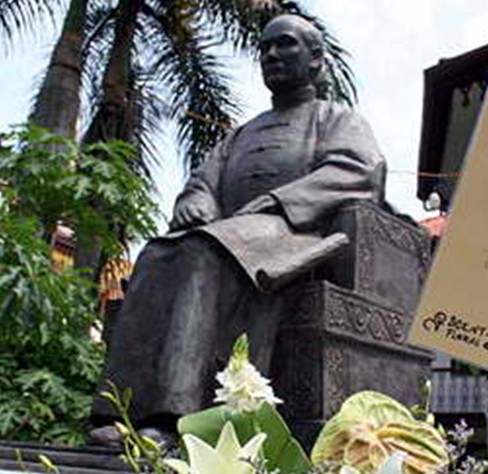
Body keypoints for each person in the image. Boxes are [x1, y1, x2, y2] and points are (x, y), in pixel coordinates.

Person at [89, 14, 386, 445]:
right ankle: (122, 413)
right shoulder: (240, 135)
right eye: (265, 47)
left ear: (316, 59)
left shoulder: (337, 119)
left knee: (201, 253)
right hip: (233, 233)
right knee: (156, 253)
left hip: (297, 235)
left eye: (285, 44)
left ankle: (176, 419)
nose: (272, 54)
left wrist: (278, 201)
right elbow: (203, 181)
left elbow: (361, 170)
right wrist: (197, 201)